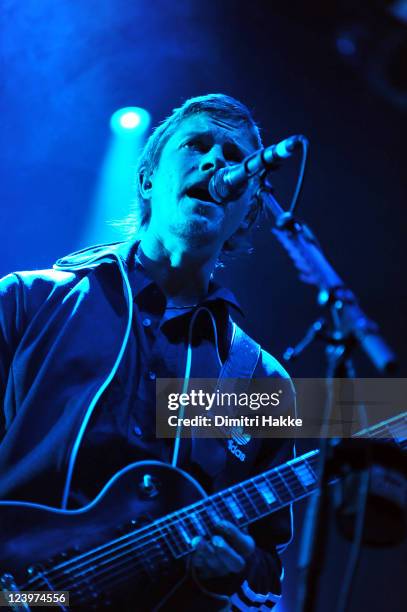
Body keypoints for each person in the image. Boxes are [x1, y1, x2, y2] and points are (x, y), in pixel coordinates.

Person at [0, 94, 295, 610]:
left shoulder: (258, 382)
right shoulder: (29, 301)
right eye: (197, 145)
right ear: (147, 181)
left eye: (233, 155)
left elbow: (268, 568)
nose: (215, 162)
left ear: (247, 212)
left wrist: (239, 568)